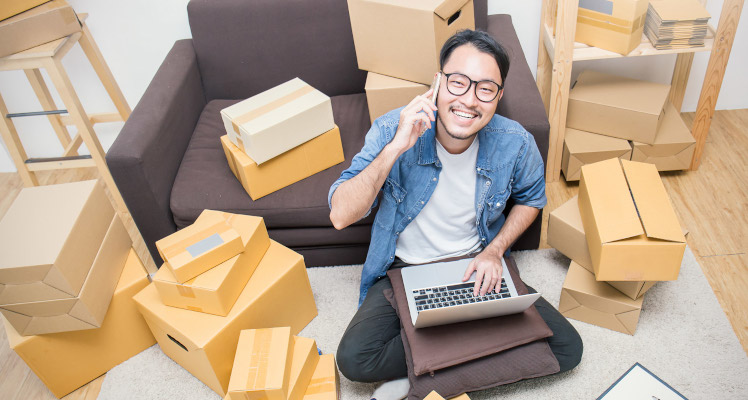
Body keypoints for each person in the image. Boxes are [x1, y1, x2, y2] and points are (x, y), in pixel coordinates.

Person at [328, 30, 582, 400]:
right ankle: (456, 353)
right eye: (458, 82)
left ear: (498, 97)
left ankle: (424, 373)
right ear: (437, 83)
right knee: (354, 360)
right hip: (403, 270)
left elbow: (532, 199)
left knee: (567, 348)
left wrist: (493, 252)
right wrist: (398, 145)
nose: (468, 100)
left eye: (485, 89)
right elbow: (340, 215)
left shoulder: (516, 141)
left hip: (474, 265)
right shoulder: (389, 129)